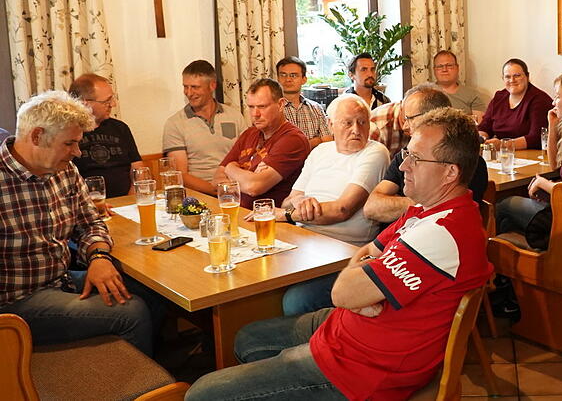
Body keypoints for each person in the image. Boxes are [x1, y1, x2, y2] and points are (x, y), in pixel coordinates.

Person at [185, 108, 493, 401]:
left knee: (201, 393)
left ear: (450, 172)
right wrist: (363, 289)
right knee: (247, 337)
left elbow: (343, 291)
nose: (402, 166)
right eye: (405, 154)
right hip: (347, 332)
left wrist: (362, 290)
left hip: (361, 372)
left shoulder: (442, 232)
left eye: (415, 158)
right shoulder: (423, 211)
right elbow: (364, 255)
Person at [0, 91, 152, 355]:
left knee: (148, 291)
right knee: (132, 311)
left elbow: (90, 222)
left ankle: (109, 361)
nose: (78, 153)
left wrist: (99, 256)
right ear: (36, 136)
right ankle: (139, 388)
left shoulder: (64, 170)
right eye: (69, 143)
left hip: (60, 280)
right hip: (16, 304)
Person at [278, 94, 389, 315]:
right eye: (348, 123)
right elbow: (289, 201)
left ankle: (314, 344)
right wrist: (299, 204)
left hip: (345, 252)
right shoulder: (320, 151)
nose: (356, 130)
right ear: (330, 124)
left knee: (295, 300)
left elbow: (342, 210)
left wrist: (291, 214)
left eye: (362, 122)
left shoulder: (375, 152)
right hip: (302, 243)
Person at [365, 84, 488, 225]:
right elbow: (371, 207)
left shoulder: (467, 162)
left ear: (434, 117)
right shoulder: (405, 156)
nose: (405, 126)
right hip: (392, 239)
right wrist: (425, 201)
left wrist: (396, 203)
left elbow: (448, 213)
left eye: (409, 119)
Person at [496, 70, 562, 250]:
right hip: (560, 205)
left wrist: (541, 182)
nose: (553, 102)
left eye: (557, 97)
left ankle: (511, 267)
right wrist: (552, 125)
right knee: (511, 215)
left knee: (502, 205)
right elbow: (555, 165)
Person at [213, 78, 310, 209]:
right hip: (239, 213)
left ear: (281, 105)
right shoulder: (249, 133)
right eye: (251, 107)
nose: (255, 114)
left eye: (262, 106)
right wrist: (247, 178)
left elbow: (253, 187)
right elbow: (217, 180)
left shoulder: (293, 139)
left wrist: (230, 168)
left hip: (270, 219)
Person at [163, 60, 245, 195]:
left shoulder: (234, 116)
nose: (189, 93)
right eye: (185, 87)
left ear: (212, 85)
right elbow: (180, 175)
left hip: (237, 189)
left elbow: (247, 156)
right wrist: (216, 190)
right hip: (200, 195)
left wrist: (236, 187)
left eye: (195, 87)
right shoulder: (175, 123)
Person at [68, 73, 146, 197]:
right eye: (107, 101)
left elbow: (138, 170)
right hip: (88, 205)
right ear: (85, 103)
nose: (113, 104)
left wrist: (129, 200)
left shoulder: (120, 128)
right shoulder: (69, 133)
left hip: (127, 202)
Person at [477, 58, 552, 149]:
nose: (512, 80)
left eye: (517, 75)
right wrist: (481, 139)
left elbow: (536, 138)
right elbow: (484, 127)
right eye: (507, 77)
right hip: (502, 155)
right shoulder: (499, 97)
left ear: (527, 77)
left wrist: (503, 144)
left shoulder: (539, 100)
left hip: (531, 155)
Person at [276, 56, 332, 149]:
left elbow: (327, 141)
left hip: (316, 161)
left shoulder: (316, 108)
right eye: (283, 75)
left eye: (293, 75)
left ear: (304, 79)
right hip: (285, 163)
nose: (288, 79)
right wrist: (316, 140)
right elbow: (280, 148)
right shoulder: (272, 109)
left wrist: (298, 147)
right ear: (277, 78)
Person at [433, 49, 487, 120]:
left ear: (457, 68)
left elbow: (479, 126)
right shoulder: (423, 93)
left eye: (449, 65)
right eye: (440, 66)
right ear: (434, 70)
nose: (444, 69)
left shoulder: (473, 95)